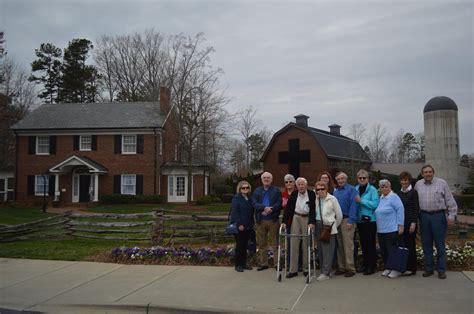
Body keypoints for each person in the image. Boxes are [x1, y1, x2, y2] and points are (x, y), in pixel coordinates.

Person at [414, 165, 457, 279]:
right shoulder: (418, 184)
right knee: (426, 244)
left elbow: (450, 200)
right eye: (425, 172)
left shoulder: (442, 183)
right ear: (422, 174)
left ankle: (441, 270)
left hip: (438, 216)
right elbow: (414, 202)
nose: (428, 174)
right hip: (423, 216)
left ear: (433, 172)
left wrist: (451, 216)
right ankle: (429, 269)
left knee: (440, 244)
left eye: (430, 171)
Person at [282, 177, 315, 278]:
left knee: (306, 243)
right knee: (294, 242)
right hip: (296, 217)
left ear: (306, 185)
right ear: (297, 186)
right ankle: (293, 270)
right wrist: (284, 221)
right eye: (299, 185)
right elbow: (288, 209)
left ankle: (306, 268)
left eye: (302, 184)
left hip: (306, 218)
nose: (300, 186)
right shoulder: (294, 194)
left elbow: (313, 209)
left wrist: (312, 222)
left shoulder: (311, 194)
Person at [309, 181, 343, 281]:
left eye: (322, 189)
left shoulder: (332, 199)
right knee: (320, 249)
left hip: (328, 227)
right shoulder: (316, 199)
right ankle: (325, 271)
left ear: (326, 189)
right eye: (318, 189)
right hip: (318, 225)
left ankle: (326, 273)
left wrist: (334, 226)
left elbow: (339, 215)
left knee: (328, 250)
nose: (320, 191)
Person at [251, 171, 282, 271]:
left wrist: (271, 209)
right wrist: (264, 208)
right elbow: (254, 202)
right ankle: (263, 263)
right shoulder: (257, 191)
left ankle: (277, 264)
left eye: (268, 177)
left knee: (275, 243)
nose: (266, 179)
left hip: (273, 220)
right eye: (264, 178)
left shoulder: (276, 190)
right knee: (262, 243)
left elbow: (279, 203)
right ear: (261, 180)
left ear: (271, 180)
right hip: (261, 221)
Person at [375, 179, 404, 278]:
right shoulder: (381, 198)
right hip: (381, 230)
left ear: (390, 187)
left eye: (386, 186)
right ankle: (388, 267)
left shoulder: (394, 197)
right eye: (382, 187)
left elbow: (400, 210)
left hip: (391, 229)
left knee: (393, 250)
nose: (384, 188)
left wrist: (401, 225)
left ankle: (396, 269)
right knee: (384, 250)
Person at [354, 169, 379, 275]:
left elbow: (375, 204)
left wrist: (362, 201)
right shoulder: (355, 189)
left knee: (370, 244)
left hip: (370, 221)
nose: (362, 179)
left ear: (368, 179)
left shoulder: (372, 190)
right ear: (357, 179)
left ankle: (371, 266)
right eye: (360, 178)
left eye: (364, 178)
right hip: (360, 221)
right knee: (363, 244)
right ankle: (365, 264)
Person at [333, 171, 358, 277]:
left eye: (342, 178)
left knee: (348, 245)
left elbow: (354, 206)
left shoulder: (352, 190)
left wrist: (351, 221)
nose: (340, 181)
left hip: (347, 220)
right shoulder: (336, 191)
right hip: (337, 220)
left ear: (346, 179)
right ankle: (342, 267)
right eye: (338, 179)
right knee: (340, 245)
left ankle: (350, 268)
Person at [397, 171, 420, 276]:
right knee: (403, 245)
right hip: (401, 223)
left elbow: (415, 208)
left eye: (405, 180)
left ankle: (412, 268)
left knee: (410, 245)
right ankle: (404, 267)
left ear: (409, 180)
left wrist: (413, 222)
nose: (404, 182)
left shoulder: (413, 192)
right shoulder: (399, 193)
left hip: (410, 223)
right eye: (402, 180)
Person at [230, 181, 255, 272]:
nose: (245, 189)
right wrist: (239, 224)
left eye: (247, 188)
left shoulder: (249, 198)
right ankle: (238, 265)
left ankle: (244, 264)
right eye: (243, 188)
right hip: (240, 226)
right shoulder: (236, 198)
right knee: (240, 245)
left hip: (248, 226)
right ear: (239, 189)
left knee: (245, 245)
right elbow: (235, 212)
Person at [281, 174, 296, 268]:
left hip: (298, 221)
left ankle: (299, 264)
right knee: (290, 244)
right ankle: (290, 264)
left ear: (294, 182)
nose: (289, 183)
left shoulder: (298, 192)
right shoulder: (283, 194)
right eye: (286, 182)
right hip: (288, 222)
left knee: (298, 243)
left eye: (291, 181)